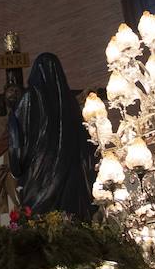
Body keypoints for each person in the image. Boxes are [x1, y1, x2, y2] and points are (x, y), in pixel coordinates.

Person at [7, 53, 95, 219]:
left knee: (39, 221)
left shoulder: (28, 98)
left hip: (37, 173)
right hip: (69, 174)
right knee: (70, 219)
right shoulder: (70, 103)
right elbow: (87, 142)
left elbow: (16, 135)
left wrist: (16, 168)